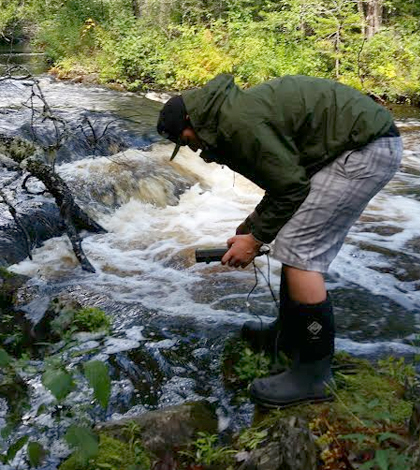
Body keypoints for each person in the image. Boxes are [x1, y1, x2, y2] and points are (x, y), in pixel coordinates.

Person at [156, 74, 403, 408]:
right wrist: (249, 230)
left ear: (191, 120)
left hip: (366, 149)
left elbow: (292, 189)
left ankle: (314, 375)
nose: (192, 148)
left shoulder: (237, 126)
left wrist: (255, 240)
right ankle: (289, 336)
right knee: (291, 239)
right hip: (353, 145)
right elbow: (283, 183)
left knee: (301, 254)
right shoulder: (228, 116)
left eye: (185, 140)